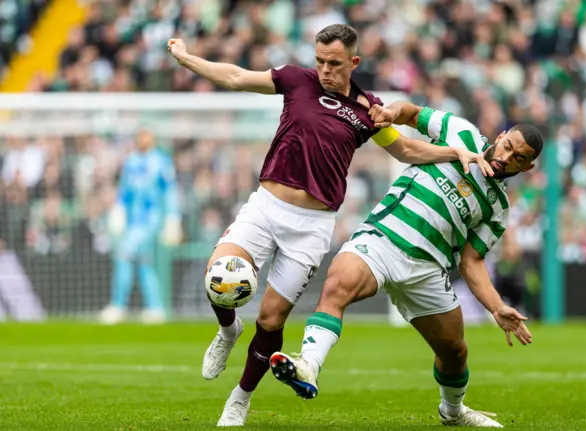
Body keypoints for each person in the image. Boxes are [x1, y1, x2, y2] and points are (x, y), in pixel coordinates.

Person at [167, 24, 493, 426]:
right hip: (266, 207)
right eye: (320, 61)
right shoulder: (295, 80)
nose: (324, 70)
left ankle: (240, 398)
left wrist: (454, 151)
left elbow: (406, 150)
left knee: (271, 322)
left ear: (353, 62)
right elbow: (235, 77)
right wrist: (187, 58)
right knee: (219, 277)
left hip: (311, 226)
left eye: (334, 63)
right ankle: (229, 329)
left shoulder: (369, 111)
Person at [270, 101, 543, 428]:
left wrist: (497, 308)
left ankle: (453, 412)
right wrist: (390, 115)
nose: (506, 158)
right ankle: (308, 366)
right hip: (382, 239)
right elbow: (411, 114)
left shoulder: (498, 208)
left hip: (428, 270)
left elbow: (471, 262)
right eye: (508, 146)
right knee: (338, 285)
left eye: (518, 159)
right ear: (500, 136)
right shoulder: (462, 133)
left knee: (455, 352)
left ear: (526, 168)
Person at [101, 129, 182, 324]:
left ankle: (118, 305)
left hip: (151, 220)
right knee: (145, 262)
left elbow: (170, 191)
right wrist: (119, 208)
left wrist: (173, 217)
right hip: (132, 221)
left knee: (123, 254)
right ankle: (155, 307)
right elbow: (125, 189)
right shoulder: (131, 161)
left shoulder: (161, 162)